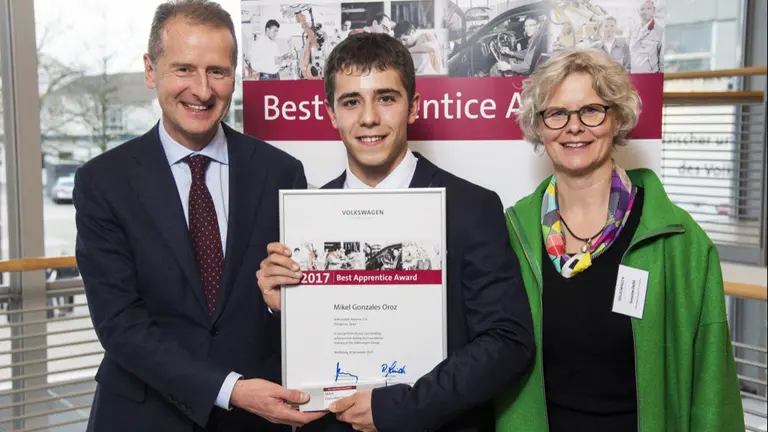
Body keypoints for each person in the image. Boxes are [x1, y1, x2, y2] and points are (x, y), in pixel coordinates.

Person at [256, 32, 535, 432]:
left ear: (413, 107)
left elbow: (508, 342)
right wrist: (279, 308)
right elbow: (289, 359)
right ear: (331, 114)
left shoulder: (472, 207)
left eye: (386, 98)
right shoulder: (305, 219)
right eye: (351, 102)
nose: (369, 118)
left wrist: (400, 407)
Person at [73, 1, 324, 431]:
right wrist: (228, 389)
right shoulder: (103, 182)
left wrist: (283, 307)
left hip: (258, 416)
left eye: (218, 71)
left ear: (235, 75)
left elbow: (299, 299)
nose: (202, 90)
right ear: (152, 71)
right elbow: (120, 324)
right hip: (143, 414)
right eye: (184, 69)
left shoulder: (282, 172)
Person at [494, 49, 744, 432]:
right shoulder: (511, 234)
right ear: (539, 127)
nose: (574, 127)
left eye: (591, 110)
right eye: (557, 113)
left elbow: (713, 386)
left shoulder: (680, 241)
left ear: (617, 118)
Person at [629, 0, 663, 73]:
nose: (645, 11)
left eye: (648, 8)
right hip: (633, 76)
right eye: (642, 9)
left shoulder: (660, 31)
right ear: (638, 11)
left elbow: (662, 61)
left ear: (653, 11)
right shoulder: (632, 29)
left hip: (651, 76)